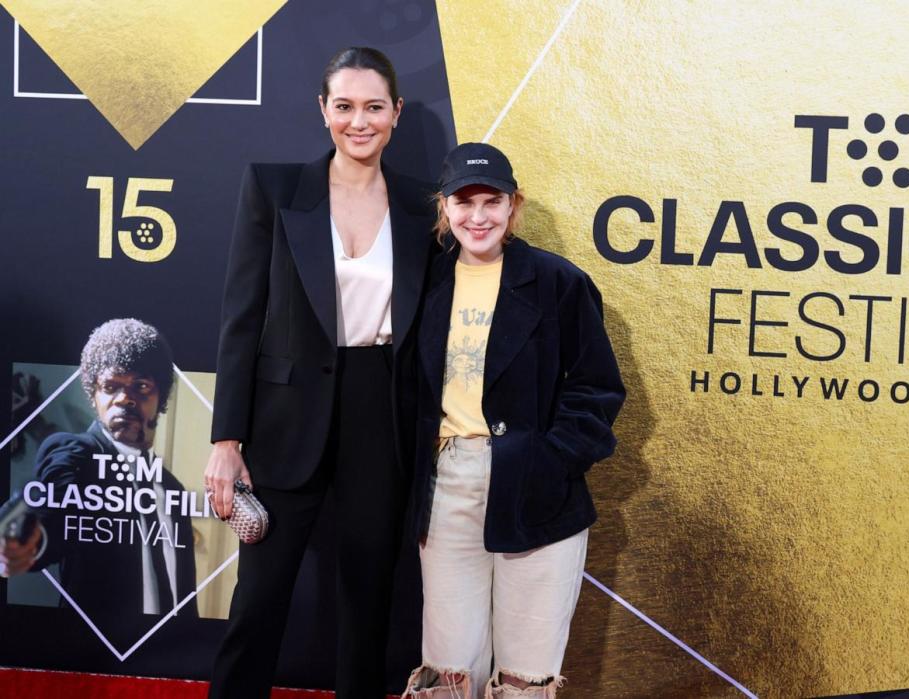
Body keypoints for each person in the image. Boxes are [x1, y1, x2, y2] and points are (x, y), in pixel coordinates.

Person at [204, 46, 433, 699]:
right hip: (285, 417)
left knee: (369, 608)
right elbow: (241, 319)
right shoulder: (277, 188)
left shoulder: (424, 206)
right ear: (323, 110)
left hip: (380, 417)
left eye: (373, 107)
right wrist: (227, 439)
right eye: (344, 106)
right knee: (258, 603)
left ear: (396, 113)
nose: (358, 121)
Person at [402, 143, 625, 698]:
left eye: (491, 202)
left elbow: (597, 388)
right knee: (448, 668)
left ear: (513, 205)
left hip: (537, 488)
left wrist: (551, 461)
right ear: (443, 208)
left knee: (528, 671)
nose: (477, 217)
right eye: (463, 202)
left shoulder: (558, 282)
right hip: (445, 487)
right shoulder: (420, 283)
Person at [0, 318, 198, 646]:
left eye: (141, 386)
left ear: (160, 397)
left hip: (172, 657)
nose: (125, 398)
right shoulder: (75, 450)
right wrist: (24, 535)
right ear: (94, 393)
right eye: (111, 386)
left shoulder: (172, 488)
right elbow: (53, 496)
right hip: (93, 655)